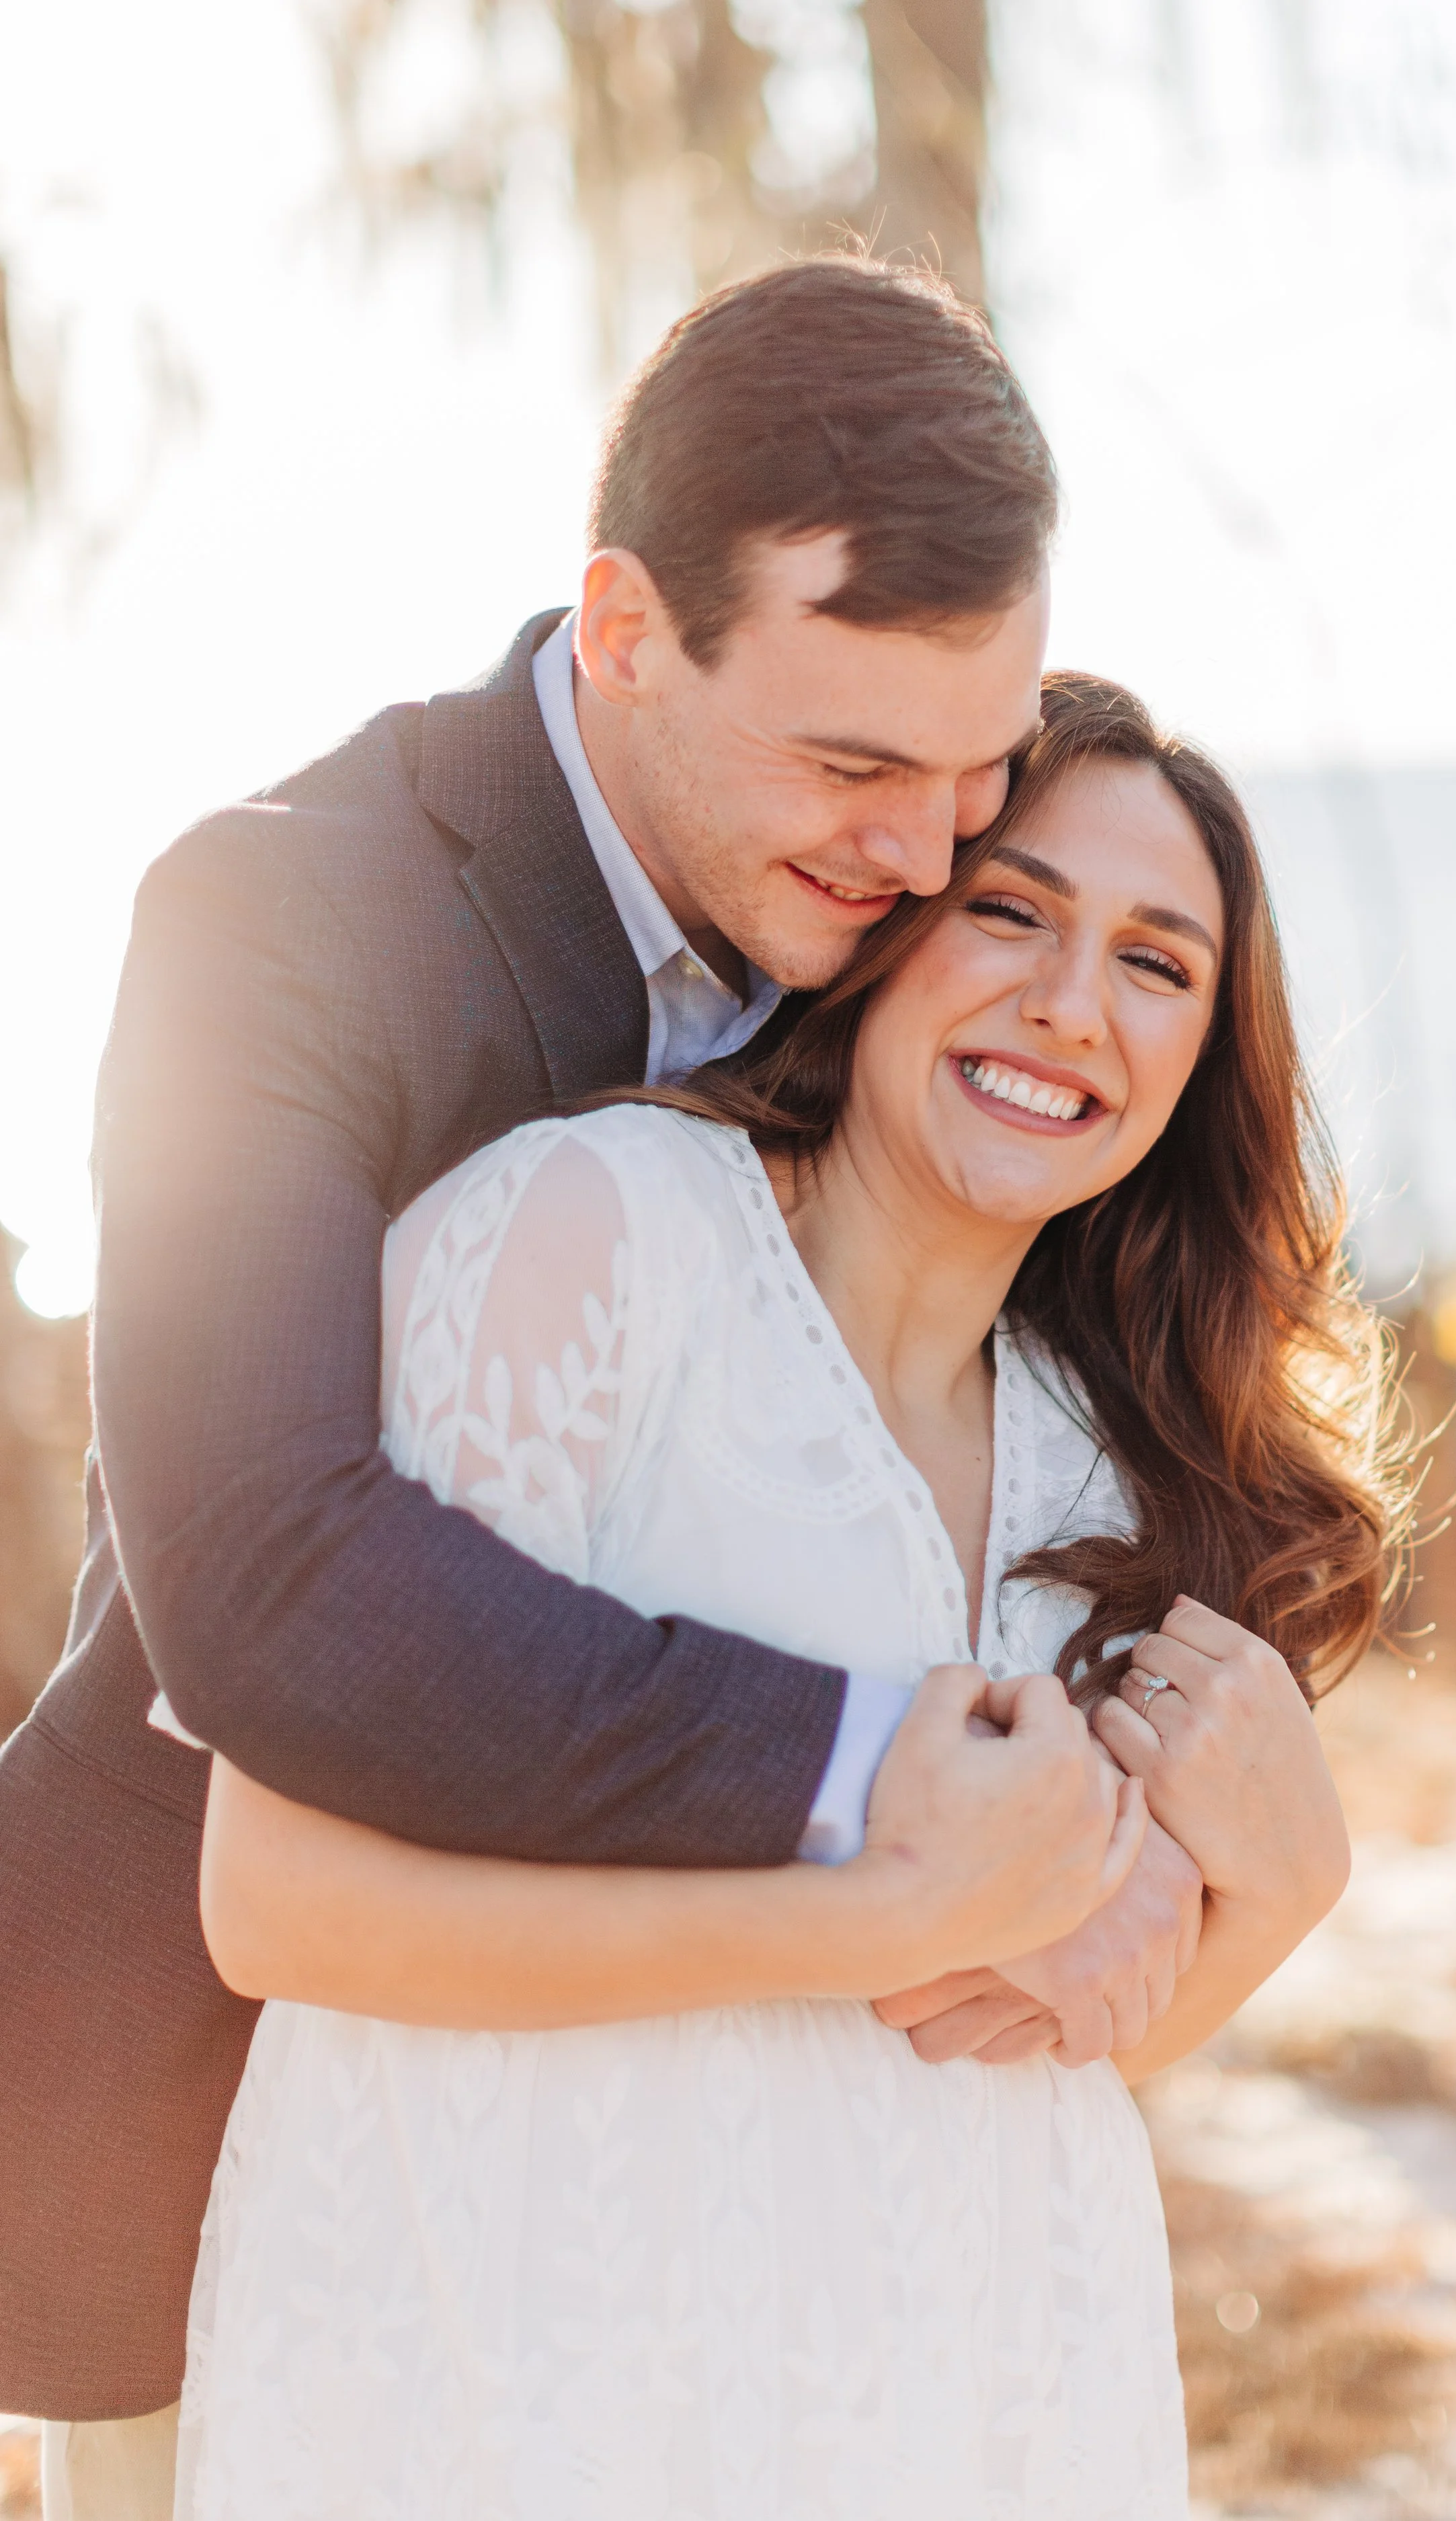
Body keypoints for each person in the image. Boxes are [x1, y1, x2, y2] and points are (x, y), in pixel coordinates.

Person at [0, 258, 1205, 2512]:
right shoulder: (279, 921)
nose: (927, 851)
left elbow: (1074, 1345)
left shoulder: (910, 911)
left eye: (976, 769)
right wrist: (870, 1761)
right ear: (627, 627)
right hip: (210, 2063)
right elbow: (265, 1578)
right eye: (852, 761)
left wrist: (1259, 1837)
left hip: (713, 2192)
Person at [165, 672, 1397, 2517]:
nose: (1071, 1002)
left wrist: (1281, 1893)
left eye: (1157, 963)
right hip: (509, 2392)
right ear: (884, 931)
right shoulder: (590, 1242)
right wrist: (878, 1913)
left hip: (969, 2418)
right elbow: (276, 1902)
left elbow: (1032, 2051)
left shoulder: (1110, 1476)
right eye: (1011, 910)